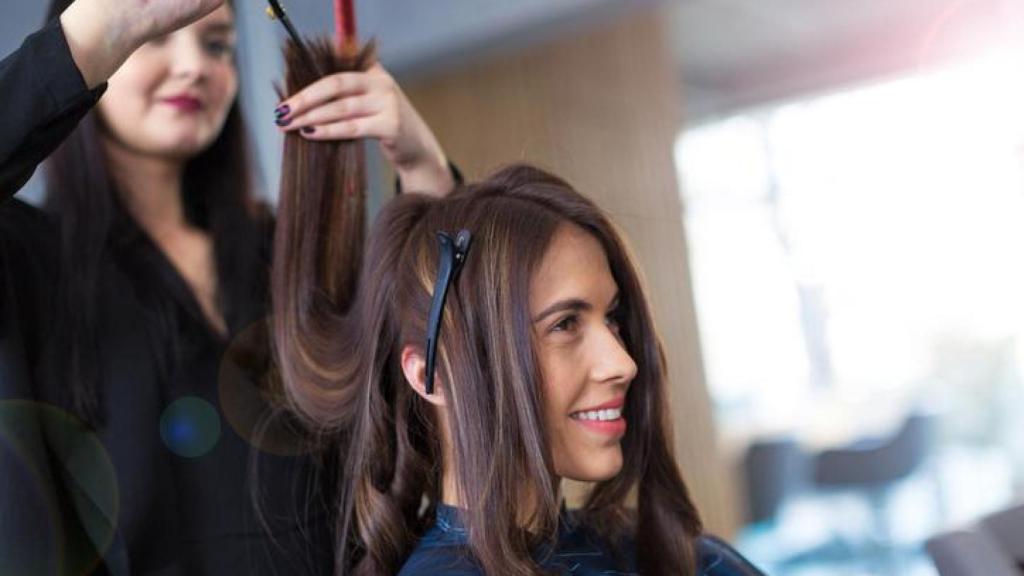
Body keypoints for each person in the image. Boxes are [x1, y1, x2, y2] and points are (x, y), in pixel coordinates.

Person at [0, 0, 456, 573]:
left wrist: (423, 166)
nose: (193, 66)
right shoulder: (27, 258)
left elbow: (437, 375)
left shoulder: (281, 251)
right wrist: (83, 43)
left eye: (216, 45)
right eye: (154, 37)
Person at [273, 165, 766, 575]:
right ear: (432, 375)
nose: (623, 363)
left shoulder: (677, 558)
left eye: (611, 318)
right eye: (566, 323)